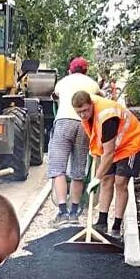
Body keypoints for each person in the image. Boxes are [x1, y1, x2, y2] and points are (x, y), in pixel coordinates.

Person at [71, 90, 140, 238]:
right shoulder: (88, 112)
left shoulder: (108, 117)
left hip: (131, 143)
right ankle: (101, 222)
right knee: (106, 180)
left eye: (85, 110)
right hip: (113, 146)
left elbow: (109, 153)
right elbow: (101, 144)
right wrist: (100, 176)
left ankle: (116, 227)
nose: (82, 115)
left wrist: (95, 179)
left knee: (120, 182)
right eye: (79, 112)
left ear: (91, 104)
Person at [48, 57, 100, 224]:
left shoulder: (62, 82)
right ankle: (75, 212)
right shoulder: (92, 83)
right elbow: (101, 97)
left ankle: (62, 211)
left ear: (70, 71)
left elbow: (55, 95)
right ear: (86, 71)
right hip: (83, 124)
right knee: (78, 169)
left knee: (58, 168)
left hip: (63, 122)